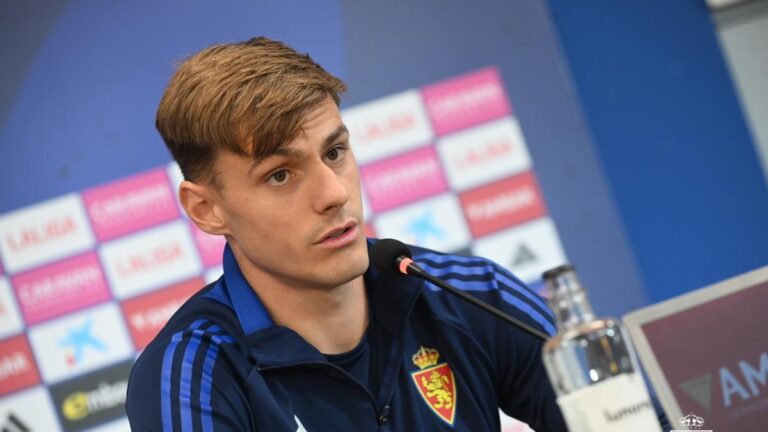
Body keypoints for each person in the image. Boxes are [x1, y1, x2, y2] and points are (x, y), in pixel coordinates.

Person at [125, 36, 569, 431]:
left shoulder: (468, 295)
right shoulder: (190, 376)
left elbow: (619, 409)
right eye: (280, 175)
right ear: (207, 209)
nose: (334, 194)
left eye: (335, 152)